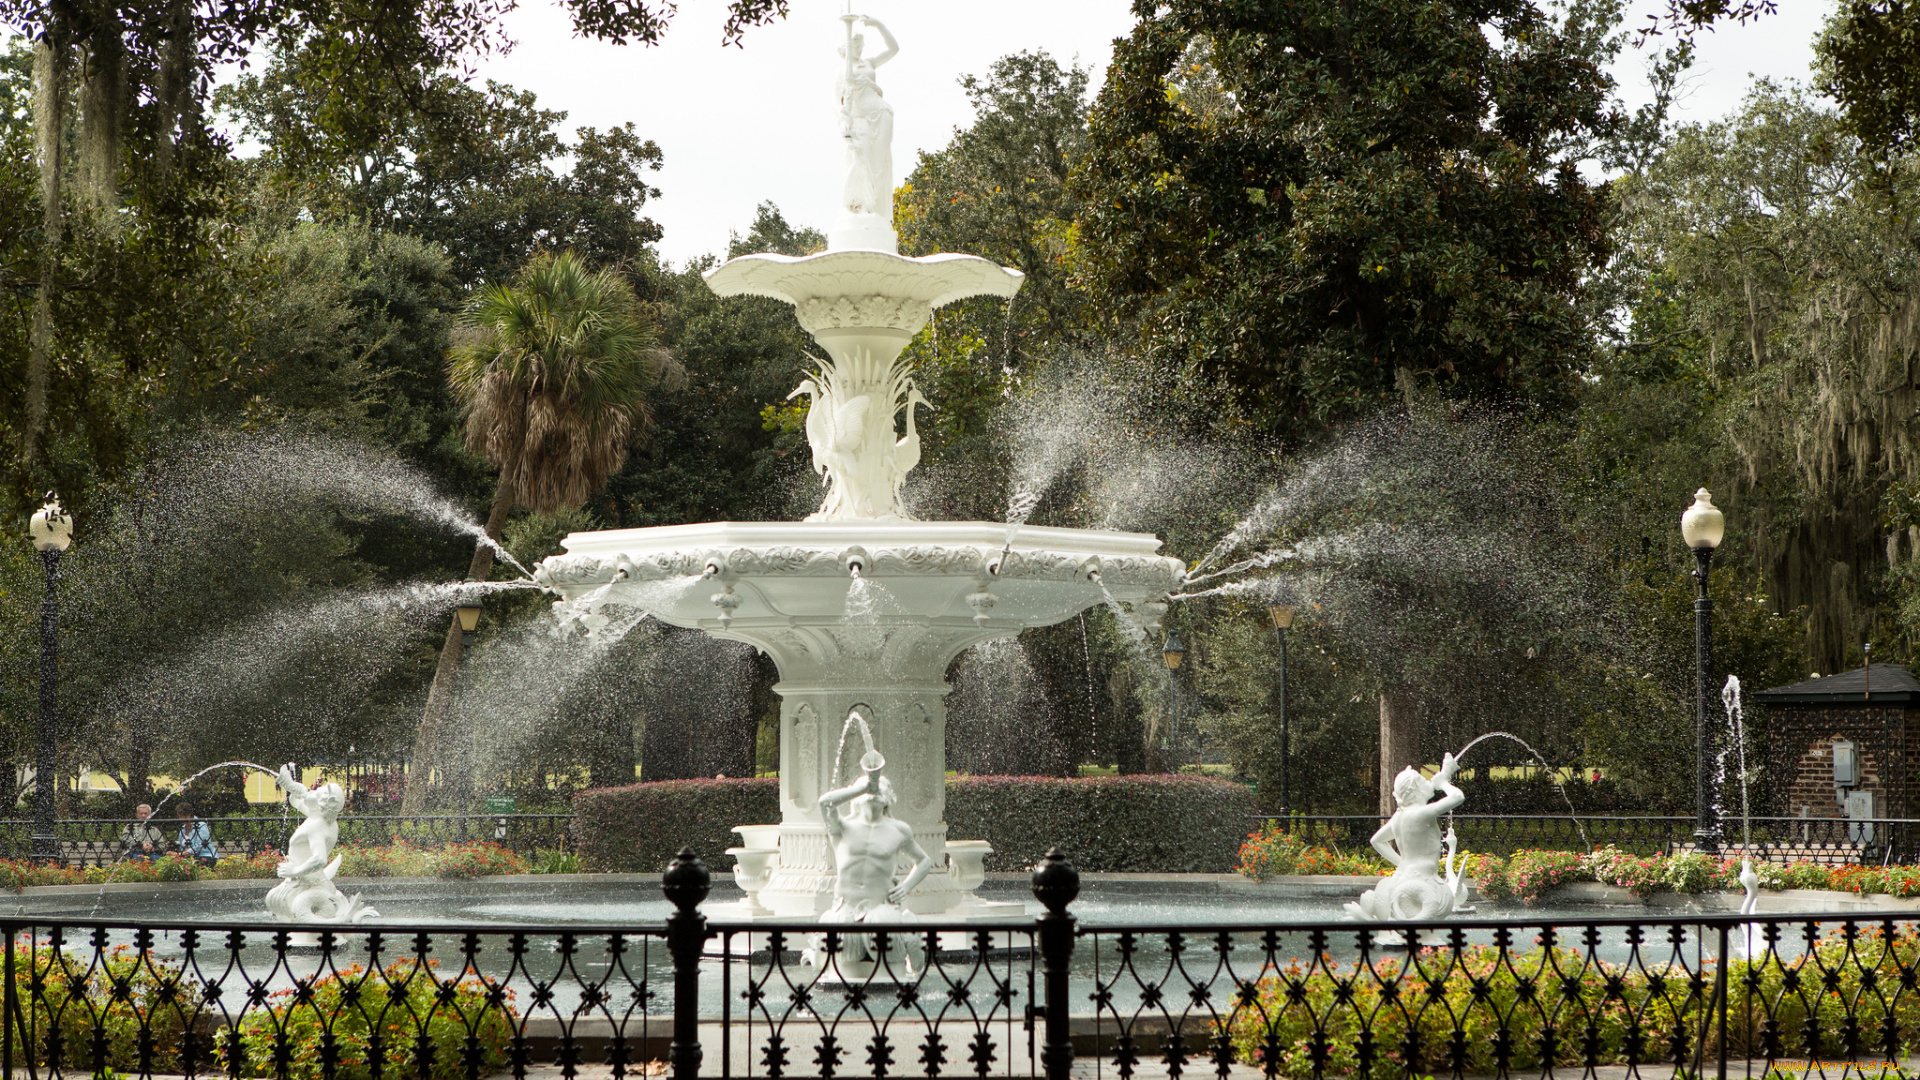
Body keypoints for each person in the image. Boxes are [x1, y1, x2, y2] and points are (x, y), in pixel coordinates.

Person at [805, 745, 935, 975]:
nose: (875, 790)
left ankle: (907, 950)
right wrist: (864, 786)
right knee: (844, 942)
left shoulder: (899, 829)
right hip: (845, 909)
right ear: (856, 795)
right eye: (870, 788)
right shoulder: (842, 826)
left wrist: (906, 886)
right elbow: (825, 802)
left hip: (881, 908)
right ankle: (820, 957)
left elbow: (924, 861)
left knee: (882, 926)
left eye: (880, 787)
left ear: (888, 799)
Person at [1344, 753, 1468, 921]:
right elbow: (1458, 797)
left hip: (1402, 878)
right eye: (1423, 781)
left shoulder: (1400, 816)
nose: (1428, 781)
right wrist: (1444, 783)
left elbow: (1376, 840)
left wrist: (1401, 862)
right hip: (1426, 884)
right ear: (1416, 791)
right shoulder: (1422, 813)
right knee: (1443, 906)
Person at [836, 14, 899, 219]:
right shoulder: (843, 72)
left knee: (878, 164)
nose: (859, 49)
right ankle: (853, 204)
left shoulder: (869, 63)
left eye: (861, 46)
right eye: (855, 45)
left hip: (881, 116)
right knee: (859, 161)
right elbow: (839, 102)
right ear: (846, 46)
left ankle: (872, 208)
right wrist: (844, 125)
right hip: (861, 121)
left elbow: (893, 49)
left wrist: (879, 24)